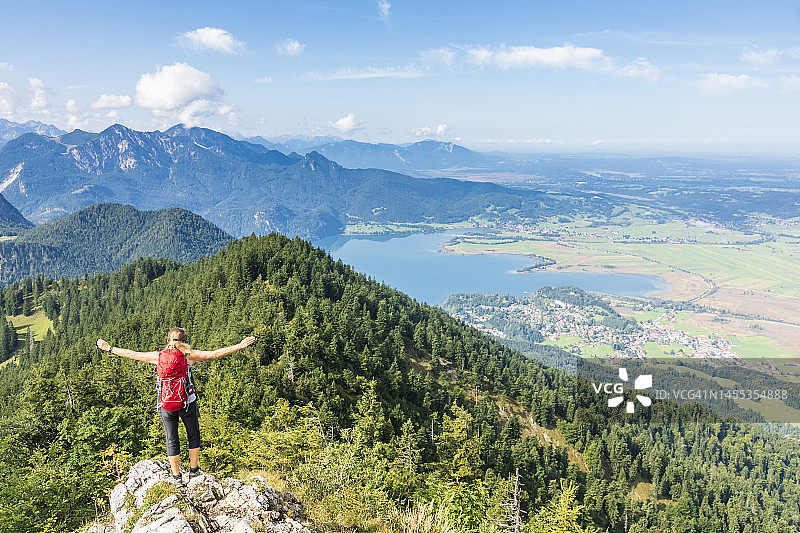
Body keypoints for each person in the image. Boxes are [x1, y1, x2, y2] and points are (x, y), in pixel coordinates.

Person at [96, 327, 255, 484]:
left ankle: (176, 476)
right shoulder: (188, 356)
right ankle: (193, 471)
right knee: (193, 435)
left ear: (168, 340)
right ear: (184, 340)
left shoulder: (158, 356)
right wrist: (240, 345)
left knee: (171, 438)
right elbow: (214, 354)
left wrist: (109, 348)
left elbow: (132, 354)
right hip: (187, 402)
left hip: (166, 405)